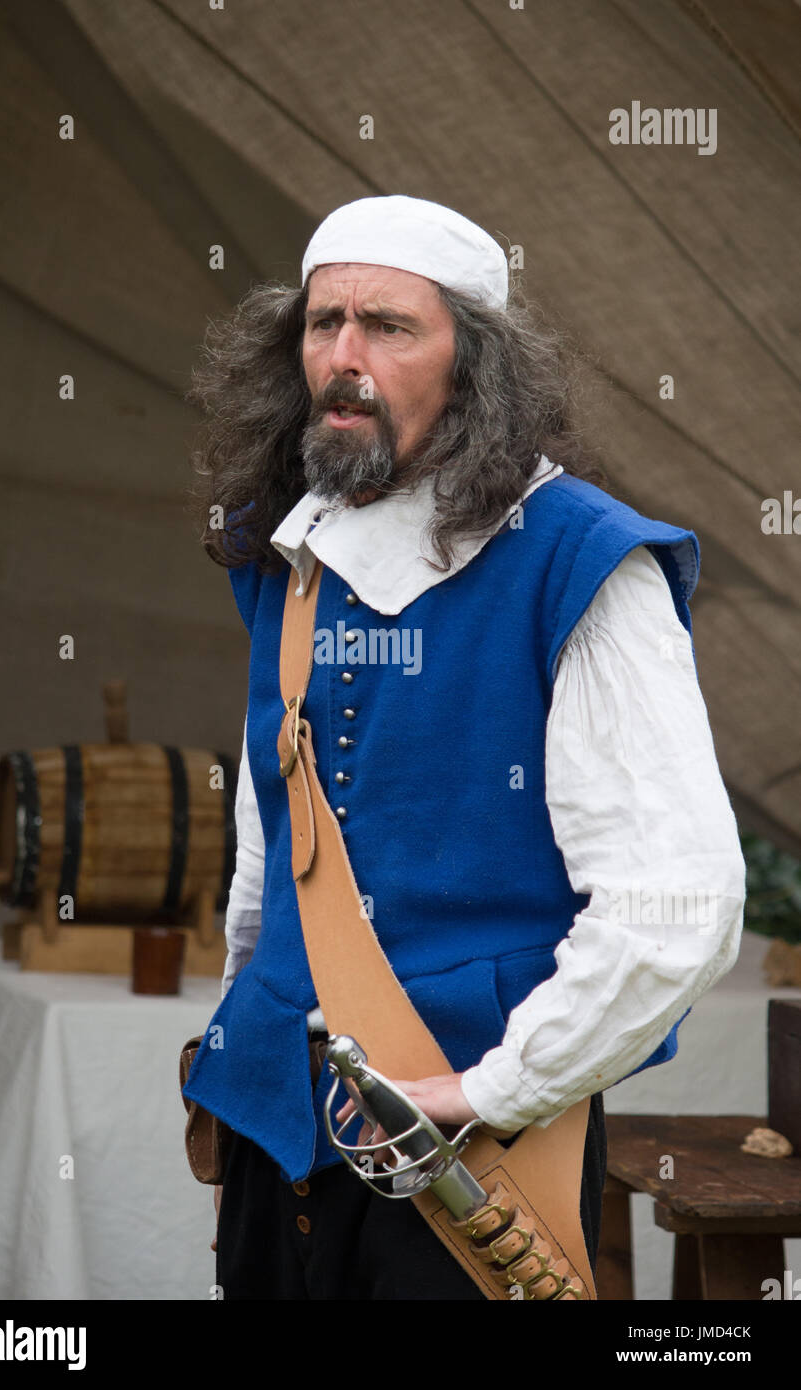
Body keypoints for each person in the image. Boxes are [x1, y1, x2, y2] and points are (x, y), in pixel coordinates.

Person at [182, 194, 746, 1300]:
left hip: (463, 1162)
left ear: (473, 362)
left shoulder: (580, 560)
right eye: (321, 322)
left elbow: (677, 904)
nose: (343, 357)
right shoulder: (283, 554)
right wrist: (241, 1047)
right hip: (274, 1137)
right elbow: (270, 850)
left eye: (388, 326)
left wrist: (491, 1089)